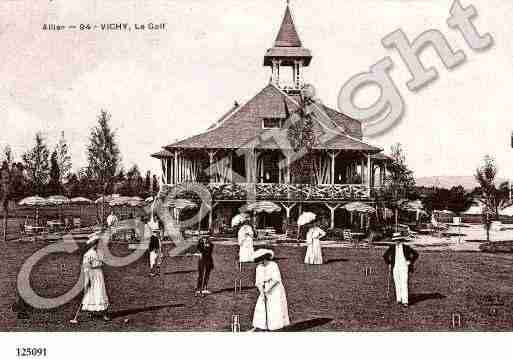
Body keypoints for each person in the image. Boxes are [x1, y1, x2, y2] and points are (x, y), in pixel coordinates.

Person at [251, 249, 290, 331]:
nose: (261, 262)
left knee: (274, 307)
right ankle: (262, 325)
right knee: (261, 306)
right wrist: (262, 292)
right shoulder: (259, 268)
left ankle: (275, 326)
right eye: (259, 261)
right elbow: (258, 282)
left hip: (275, 289)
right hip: (264, 289)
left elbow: (276, 280)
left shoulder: (273, 265)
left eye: (262, 260)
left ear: (265, 258)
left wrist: (268, 290)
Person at [80, 231, 110, 321]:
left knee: (100, 291)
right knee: (91, 292)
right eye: (94, 243)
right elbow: (86, 267)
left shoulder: (100, 252)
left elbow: (103, 261)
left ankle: (104, 313)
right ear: (91, 244)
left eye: (97, 243)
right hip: (91, 273)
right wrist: (87, 279)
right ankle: (90, 311)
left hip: (99, 274)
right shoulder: (87, 254)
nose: (96, 245)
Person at [383, 234, 419, 307]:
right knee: (397, 282)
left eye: (399, 240)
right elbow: (385, 255)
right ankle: (399, 299)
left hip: (404, 267)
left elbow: (416, 254)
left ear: (401, 240)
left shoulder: (406, 247)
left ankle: (405, 301)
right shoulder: (392, 247)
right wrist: (389, 263)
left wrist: (410, 261)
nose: (397, 241)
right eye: (396, 240)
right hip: (395, 267)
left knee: (404, 282)